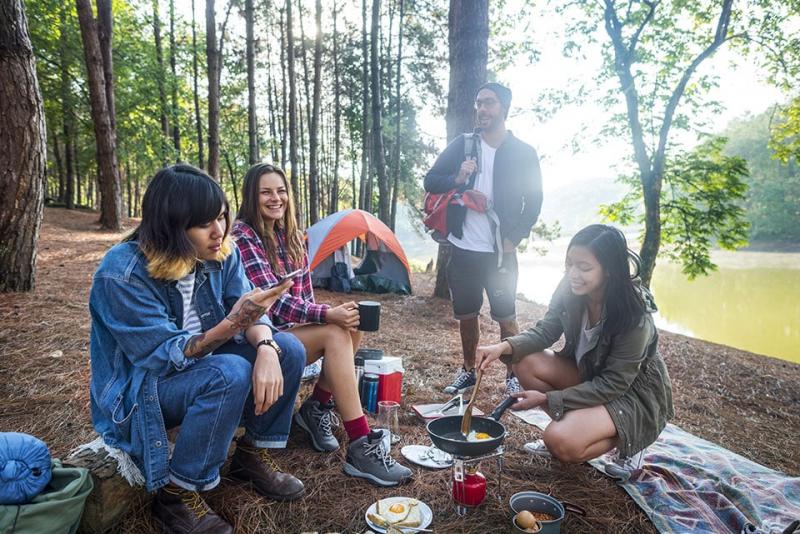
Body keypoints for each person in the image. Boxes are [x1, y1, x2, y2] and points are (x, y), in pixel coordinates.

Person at [88, 164, 308, 534]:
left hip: (202, 371)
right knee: (229, 372)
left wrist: (267, 347)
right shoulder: (122, 272)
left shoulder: (221, 252)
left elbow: (246, 306)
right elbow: (162, 355)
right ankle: (175, 495)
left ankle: (252, 456)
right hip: (142, 392)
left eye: (222, 216)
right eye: (204, 222)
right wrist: (233, 323)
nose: (219, 231)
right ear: (172, 224)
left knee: (289, 348)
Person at [232, 163, 413, 487]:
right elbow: (270, 302)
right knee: (334, 330)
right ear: (251, 196)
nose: (276, 198)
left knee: (352, 323)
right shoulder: (243, 235)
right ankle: (361, 445)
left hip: (288, 334)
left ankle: (316, 408)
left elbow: (304, 297)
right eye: (266, 192)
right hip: (258, 337)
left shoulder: (293, 237)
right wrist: (327, 315)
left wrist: (332, 312)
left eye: (281, 190)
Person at [476, 224, 674, 481]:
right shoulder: (571, 286)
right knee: (523, 360)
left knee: (559, 442)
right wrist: (503, 346)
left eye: (584, 267)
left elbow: (614, 383)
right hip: (591, 374)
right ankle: (580, 425)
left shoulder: (633, 314)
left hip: (630, 394)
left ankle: (630, 441)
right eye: (569, 264)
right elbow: (547, 330)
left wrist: (548, 399)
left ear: (610, 270)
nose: (573, 273)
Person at [424, 81, 543, 396]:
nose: (481, 110)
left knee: (506, 317)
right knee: (466, 313)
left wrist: (513, 238)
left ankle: (513, 375)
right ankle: (467, 370)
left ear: (503, 108)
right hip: (463, 248)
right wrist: (458, 177)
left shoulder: (523, 153)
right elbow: (431, 180)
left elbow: (533, 202)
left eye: (488, 103)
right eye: (478, 103)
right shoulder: (463, 145)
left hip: (501, 252)